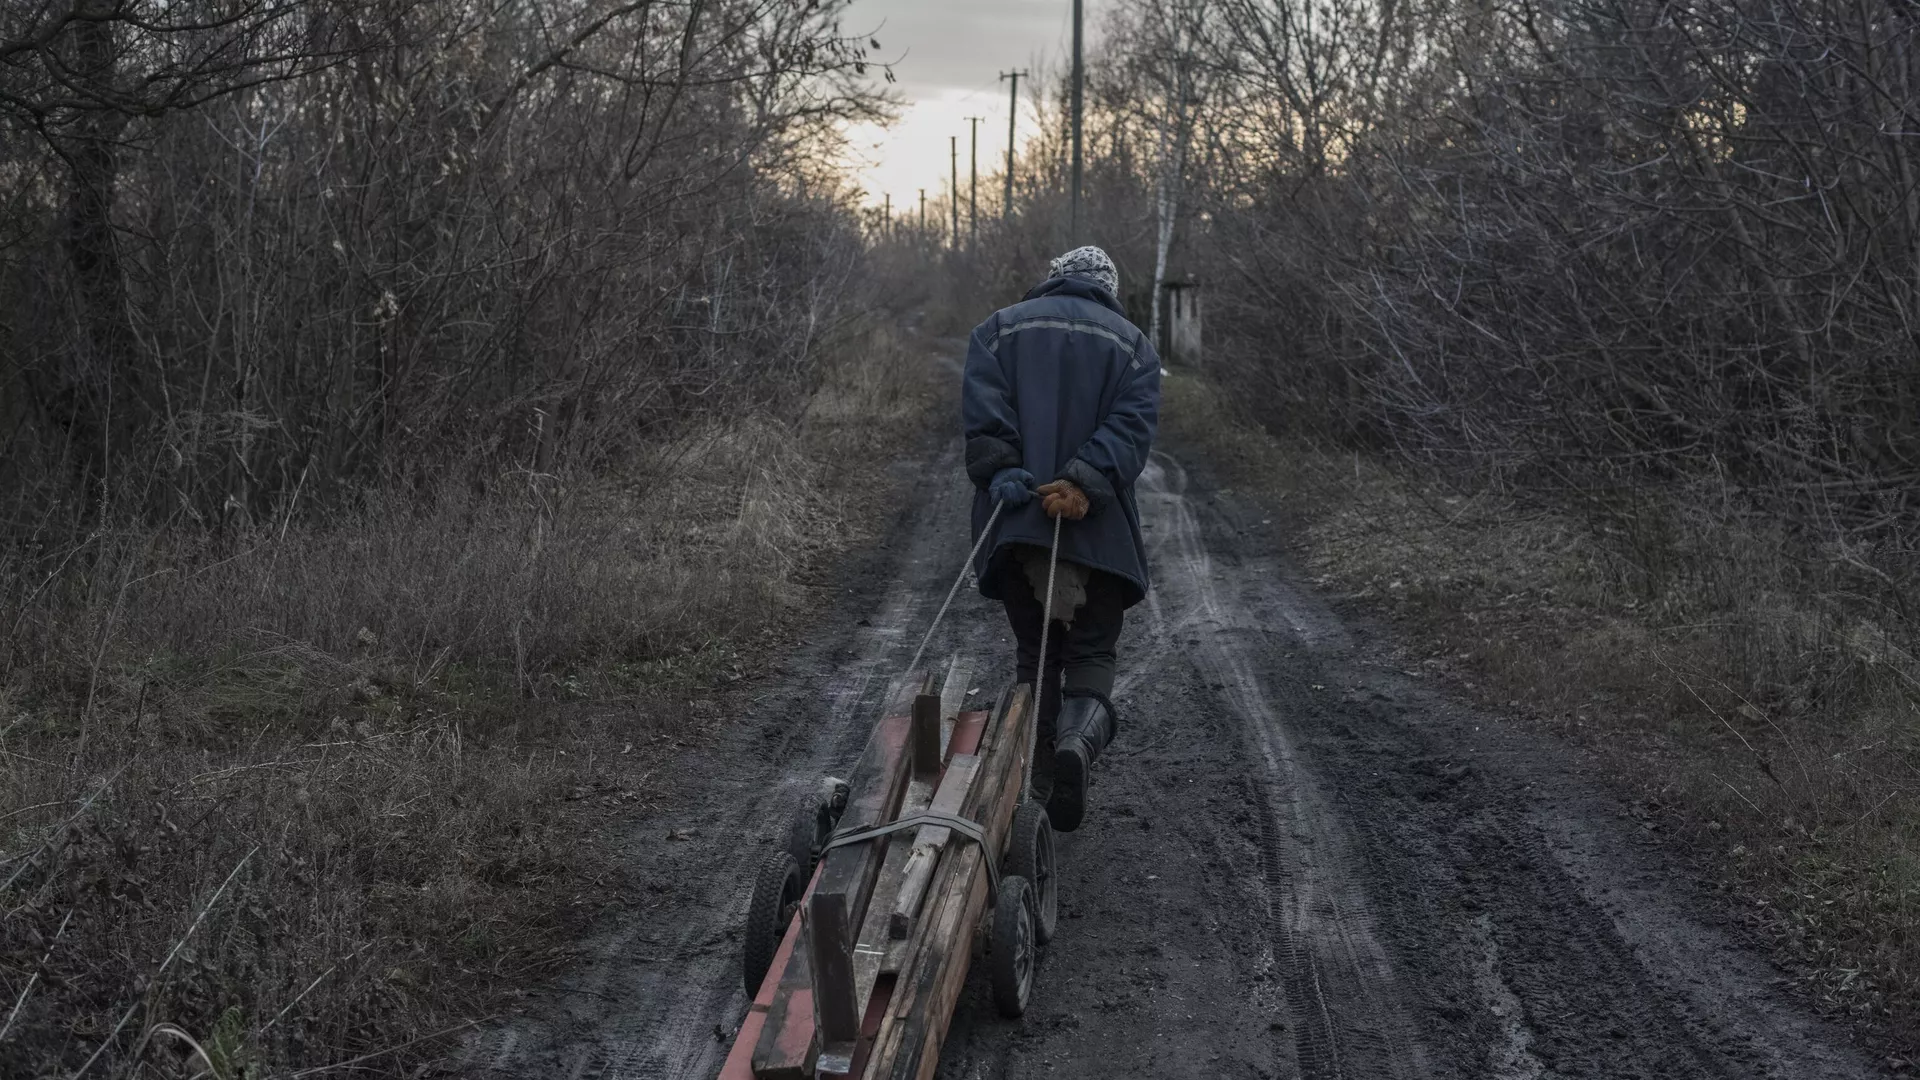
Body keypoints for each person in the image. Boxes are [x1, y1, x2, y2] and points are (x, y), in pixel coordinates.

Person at [962, 245, 1161, 832]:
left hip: (1019, 522)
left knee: (1036, 654)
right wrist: (1083, 481)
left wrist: (1002, 469)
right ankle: (1078, 745)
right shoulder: (1134, 346)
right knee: (1093, 651)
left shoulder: (996, 331)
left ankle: (1039, 780)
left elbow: (983, 413)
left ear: (1054, 280)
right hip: (1096, 531)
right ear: (1108, 288)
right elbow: (1131, 429)